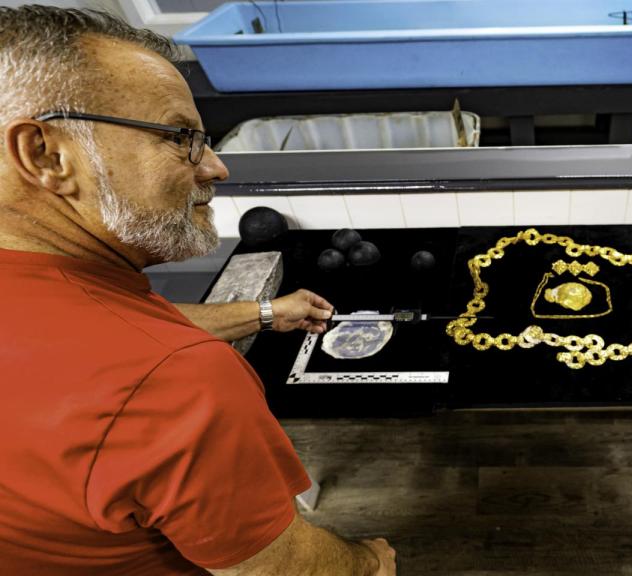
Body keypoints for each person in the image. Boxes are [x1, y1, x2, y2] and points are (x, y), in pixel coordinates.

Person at [0, 6, 396, 575]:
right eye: (181, 137)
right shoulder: (180, 384)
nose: (216, 166)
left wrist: (263, 313)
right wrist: (369, 562)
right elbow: (287, 569)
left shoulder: (68, 310)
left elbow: (122, 340)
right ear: (48, 155)